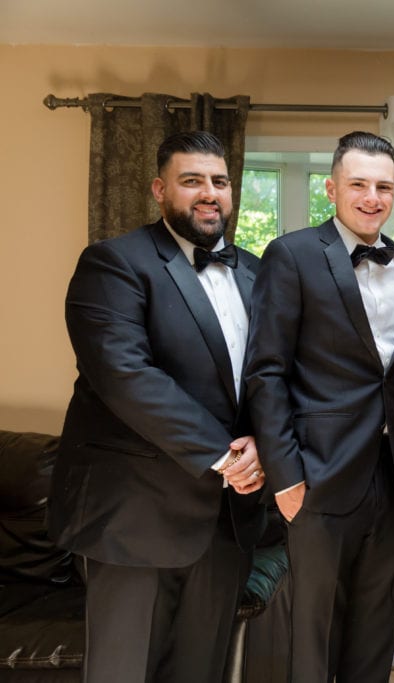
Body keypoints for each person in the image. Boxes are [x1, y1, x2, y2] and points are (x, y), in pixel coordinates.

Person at [48, 130, 266, 682]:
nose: (209, 193)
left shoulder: (258, 274)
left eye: (219, 181)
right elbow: (125, 377)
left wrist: (266, 443)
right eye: (192, 181)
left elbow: (272, 377)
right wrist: (226, 455)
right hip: (135, 519)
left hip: (226, 524)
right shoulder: (113, 263)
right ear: (159, 189)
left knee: (201, 671)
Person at [244, 131, 394, 683]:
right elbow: (266, 371)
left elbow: (389, 370)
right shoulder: (291, 254)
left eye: (383, 186)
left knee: (375, 634)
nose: (372, 197)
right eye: (359, 184)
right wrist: (285, 477)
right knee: (311, 642)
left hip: (391, 479)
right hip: (316, 478)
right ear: (331, 187)